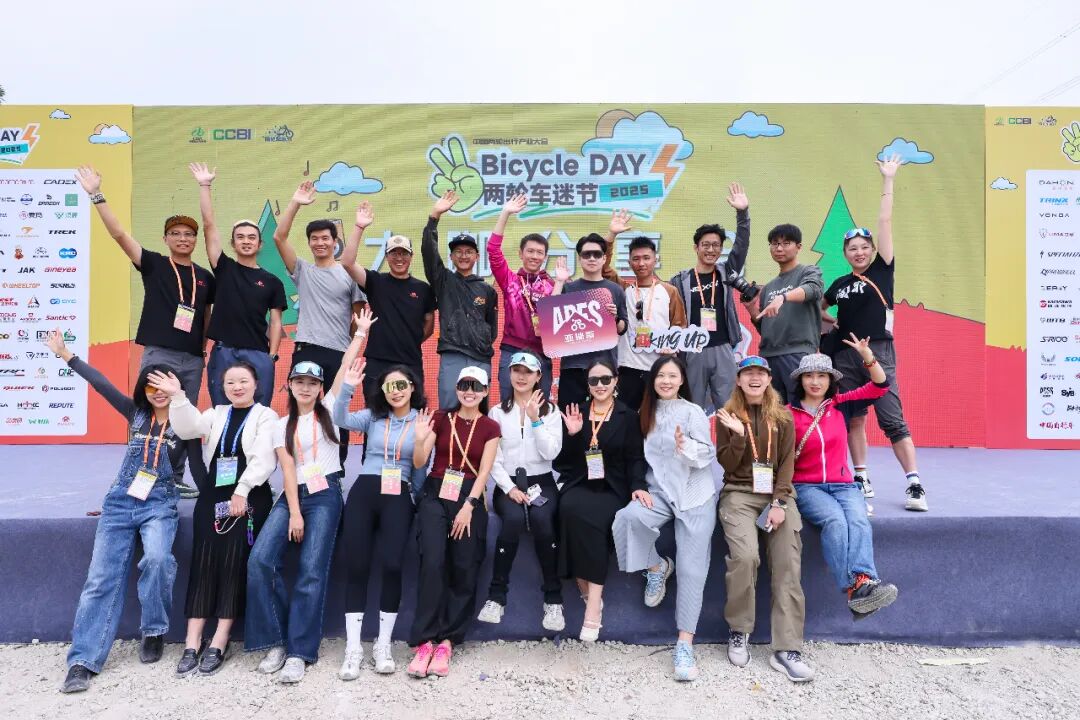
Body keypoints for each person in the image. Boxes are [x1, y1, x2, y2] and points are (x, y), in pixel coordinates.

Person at [244, 315, 377, 683]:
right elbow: (287, 470)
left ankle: (299, 652)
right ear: (289, 384)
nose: (306, 387)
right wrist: (294, 513)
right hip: (293, 496)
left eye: (312, 382)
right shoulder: (278, 425)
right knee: (260, 561)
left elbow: (345, 366)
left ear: (320, 388)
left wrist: (360, 333)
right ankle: (274, 640)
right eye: (299, 381)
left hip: (326, 494)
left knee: (311, 571)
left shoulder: (330, 410)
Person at [50, 330, 185, 694]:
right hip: (120, 504)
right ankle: (82, 661)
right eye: (151, 385)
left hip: (159, 505)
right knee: (100, 580)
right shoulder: (135, 413)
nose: (157, 391)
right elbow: (101, 384)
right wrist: (66, 355)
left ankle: (154, 629)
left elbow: (206, 465)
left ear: (175, 386)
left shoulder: (186, 423)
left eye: (164, 384)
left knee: (158, 559)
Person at [76, 165, 215, 499]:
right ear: (166, 239)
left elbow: (205, 317)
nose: (183, 238)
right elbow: (119, 235)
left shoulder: (205, 277)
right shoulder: (153, 264)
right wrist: (96, 194)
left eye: (189, 234)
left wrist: (203, 351)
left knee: (182, 418)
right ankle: (144, 472)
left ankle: (175, 477)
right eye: (176, 233)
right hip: (159, 354)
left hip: (193, 359)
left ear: (195, 240)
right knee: (152, 415)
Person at [149, 362, 278, 676]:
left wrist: (242, 491)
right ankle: (192, 642)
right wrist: (178, 397)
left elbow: (264, 459)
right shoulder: (215, 414)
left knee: (234, 563)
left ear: (256, 384)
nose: (237, 387)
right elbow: (187, 428)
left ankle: (220, 640)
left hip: (248, 496)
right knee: (203, 563)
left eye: (243, 381)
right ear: (222, 387)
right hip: (213, 495)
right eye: (230, 382)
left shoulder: (266, 416)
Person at [822, 154, 927, 512]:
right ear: (845, 253)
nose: (859, 252)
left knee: (892, 419)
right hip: (845, 356)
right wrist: (832, 323)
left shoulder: (882, 270)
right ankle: (861, 477)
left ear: (872, 250)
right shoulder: (839, 283)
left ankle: (914, 483)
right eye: (853, 248)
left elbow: (884, 220)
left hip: (878, 352)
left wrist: (888, 179)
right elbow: (819, 307)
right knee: (853, 418)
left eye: (865, 247)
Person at [332, 317, 429, 679]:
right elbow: (339, 417)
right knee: (357, 565)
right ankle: (353, 648)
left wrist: (413, 498)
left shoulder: (422, 420)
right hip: (365, 490)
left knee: (392, 564)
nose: (396, 391)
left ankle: (383, 644)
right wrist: (347, 387)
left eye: (402, 385)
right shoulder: (373, 417)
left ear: (412, 387)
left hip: (398, 494)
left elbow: (420, 469)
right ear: (383, 391)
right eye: (390, 386)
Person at [612, 356, 716, 681]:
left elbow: (707, 454)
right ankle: (657, 567)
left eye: (672, 376)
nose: (666, 381)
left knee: (691, 568)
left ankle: (684, 643)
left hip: (694, 494)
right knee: (627, 519)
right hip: (659, 493)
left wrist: (685, 447)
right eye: (661, 376)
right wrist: (639, 487)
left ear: (682, 379)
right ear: (652, 380)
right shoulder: (644, 413)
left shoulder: (693, 412)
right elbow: (635, 456)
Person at [714, 356, 813, 683]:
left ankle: (787, 648)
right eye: (748, 373)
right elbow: (727, 465)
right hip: (739, 493)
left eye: (760, 373)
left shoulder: (783, 417)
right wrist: (738, 436)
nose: (754, 378)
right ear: (739, 380)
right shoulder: (727, 415)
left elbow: (786, 465)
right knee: (745, 557)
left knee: (787, 563)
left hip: (777, 494)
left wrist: (780, 502)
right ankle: (739, 630)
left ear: (769, 379)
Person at [786, 343, 899, 617]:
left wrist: (868, 357)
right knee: (835, 521)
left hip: (844, 485)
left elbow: (881, 387)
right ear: (801, 380)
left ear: (831, 380)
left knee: (858, 520)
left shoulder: (842, 405)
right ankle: (853, 589)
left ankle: (864, 581)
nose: (815, 381)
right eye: (809, 376)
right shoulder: (786, 414)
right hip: (807, 486)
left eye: (821, 376)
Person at [406, 367, 501, 678]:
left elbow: (484, 471)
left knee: (464, 566)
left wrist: (469, 506)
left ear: (485, 391)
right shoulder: (440, 418)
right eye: (464, 385)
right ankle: (424, 641)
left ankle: (447, 641)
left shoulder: (491, 427)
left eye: (476, 386)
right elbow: (420, 461)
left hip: (468, 495)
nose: (469, 391)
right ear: (456, 388)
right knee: (433, 562)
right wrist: (419, 439)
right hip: (435, 491)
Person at [272, 181, 368, 463]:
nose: (320, 243)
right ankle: (299, 465)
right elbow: (279, 237)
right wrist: (296, 202)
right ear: (310, 243)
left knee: (338, 410)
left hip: (338, 352)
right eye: (314, 238)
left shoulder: (349, 273)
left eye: (325, 238)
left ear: (335, 242)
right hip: (307, 349)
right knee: (301, 409)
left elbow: (358, 315)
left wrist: (349, 346)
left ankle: (337, 468)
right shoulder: (302, 269)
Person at [553, 359, 645, 642]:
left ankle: (593, 607)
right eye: (594, 380)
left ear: (616, 381)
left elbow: (635, 458)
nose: (600, 385)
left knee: (594, 519)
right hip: (580, 482)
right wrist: (572, 435)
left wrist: (638, 486)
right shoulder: (577, 412)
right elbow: (563, 461)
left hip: (612, 487)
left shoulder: (628, 416)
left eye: (606, 379)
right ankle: (585, 591)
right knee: (566, 510)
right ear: (588, 384)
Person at [476, 351, 565, 632]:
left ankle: (553, 600)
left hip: (542, 481)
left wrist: (535, 420)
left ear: (539, 376)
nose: (521, 376)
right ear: (509, 373)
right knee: (512, 519)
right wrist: (509, 487)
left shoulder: (551, 412)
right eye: (516, 370)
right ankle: (496, 597)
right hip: (509, 483)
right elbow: (494, 458)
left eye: (528, 372)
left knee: (542, 519)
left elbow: (551, 452)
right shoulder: (497, 412)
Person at [189, 163, 286, 407]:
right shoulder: (224, 268)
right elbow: (209, 225)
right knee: (222, 409)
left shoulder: (272, 282)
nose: (246, 241)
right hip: (224, 351)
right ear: (233, 244)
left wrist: (272, 355)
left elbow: (276, 322)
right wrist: (205, 185)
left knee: (259, 411)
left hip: (258, 353)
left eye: (252, 237)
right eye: (240, 237)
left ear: (260, 244)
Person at [339, 201, 436, 399]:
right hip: (378, 362)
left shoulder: (423, 289)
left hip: (410, 362)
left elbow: (429, 324)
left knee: (410, 412)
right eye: (394, 253)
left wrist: (409, 341)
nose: (399, 258)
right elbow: (347, 263)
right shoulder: (375, 281)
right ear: (386, 256)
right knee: (375, 412)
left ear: (411, 256)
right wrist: (359, 227)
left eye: (404, 253)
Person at [670, 183, 751, 412]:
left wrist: (743, 213)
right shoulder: (679, 280)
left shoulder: (726, 271)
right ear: (696, 247)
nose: (711, 250)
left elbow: (742, 245)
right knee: (692, 408)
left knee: (730, 408)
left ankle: (731, 438)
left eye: (716, 245)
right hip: (692, 352)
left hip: (722, 348)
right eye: (705, 245)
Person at [602, 212, 687, 411]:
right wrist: (611, 235)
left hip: (659, 368)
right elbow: (603, 267)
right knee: (626, 417)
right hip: (628, 367)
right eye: (636, 259)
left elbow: (679, 325)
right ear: (629, 262)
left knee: (659, 418)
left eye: (646, 258)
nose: (641, 263)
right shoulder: (622, 289)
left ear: (655, 260)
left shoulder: (669, 291)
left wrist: (672, 346)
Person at [422, 190, 499, 408]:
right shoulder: (443, 280)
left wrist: (480, 340)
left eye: (468, 251)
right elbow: (429, 253)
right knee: (449, 407)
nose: (463, 255)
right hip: (452, 354)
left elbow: (492, 328)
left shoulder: (487, 290)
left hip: (480, 357)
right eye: (458, 252)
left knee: (478, 409)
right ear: (451, 257)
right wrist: (434, 217)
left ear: (477, 256)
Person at [488, 193, 557, 401]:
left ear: (545, 257)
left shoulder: (552, 286)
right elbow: (493, 250)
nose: (534, 256)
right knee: (508, 405)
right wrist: (505, 213)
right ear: (520, 253)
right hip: (512, 350)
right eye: (530, 251)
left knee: (540, 408)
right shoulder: (510, 280)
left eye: (539, 253)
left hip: (542, 354)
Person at [749, 224, 824, 404]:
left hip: (798, 353)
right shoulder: (769, 287)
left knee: (801, 409)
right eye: (775, 244)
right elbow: (765, 327)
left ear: (798, 247)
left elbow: (813, 289)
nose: (779, 248)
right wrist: (751, 308)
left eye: (786, 243)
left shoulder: (808, 271)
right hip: (769, 356)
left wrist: (783, 297)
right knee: (774, 412)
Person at [555, 234, 628, 409]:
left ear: (604, 258)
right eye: (586, 254)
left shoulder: (615, 290)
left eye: (597, 254)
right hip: (573, 367)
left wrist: (614, 318)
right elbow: (551, 320)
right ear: (580, 259)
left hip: (605, 366)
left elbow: (623, 328)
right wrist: (559, 281)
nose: (592, 258)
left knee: (604, 418)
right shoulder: (568, 288)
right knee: (569, 417)